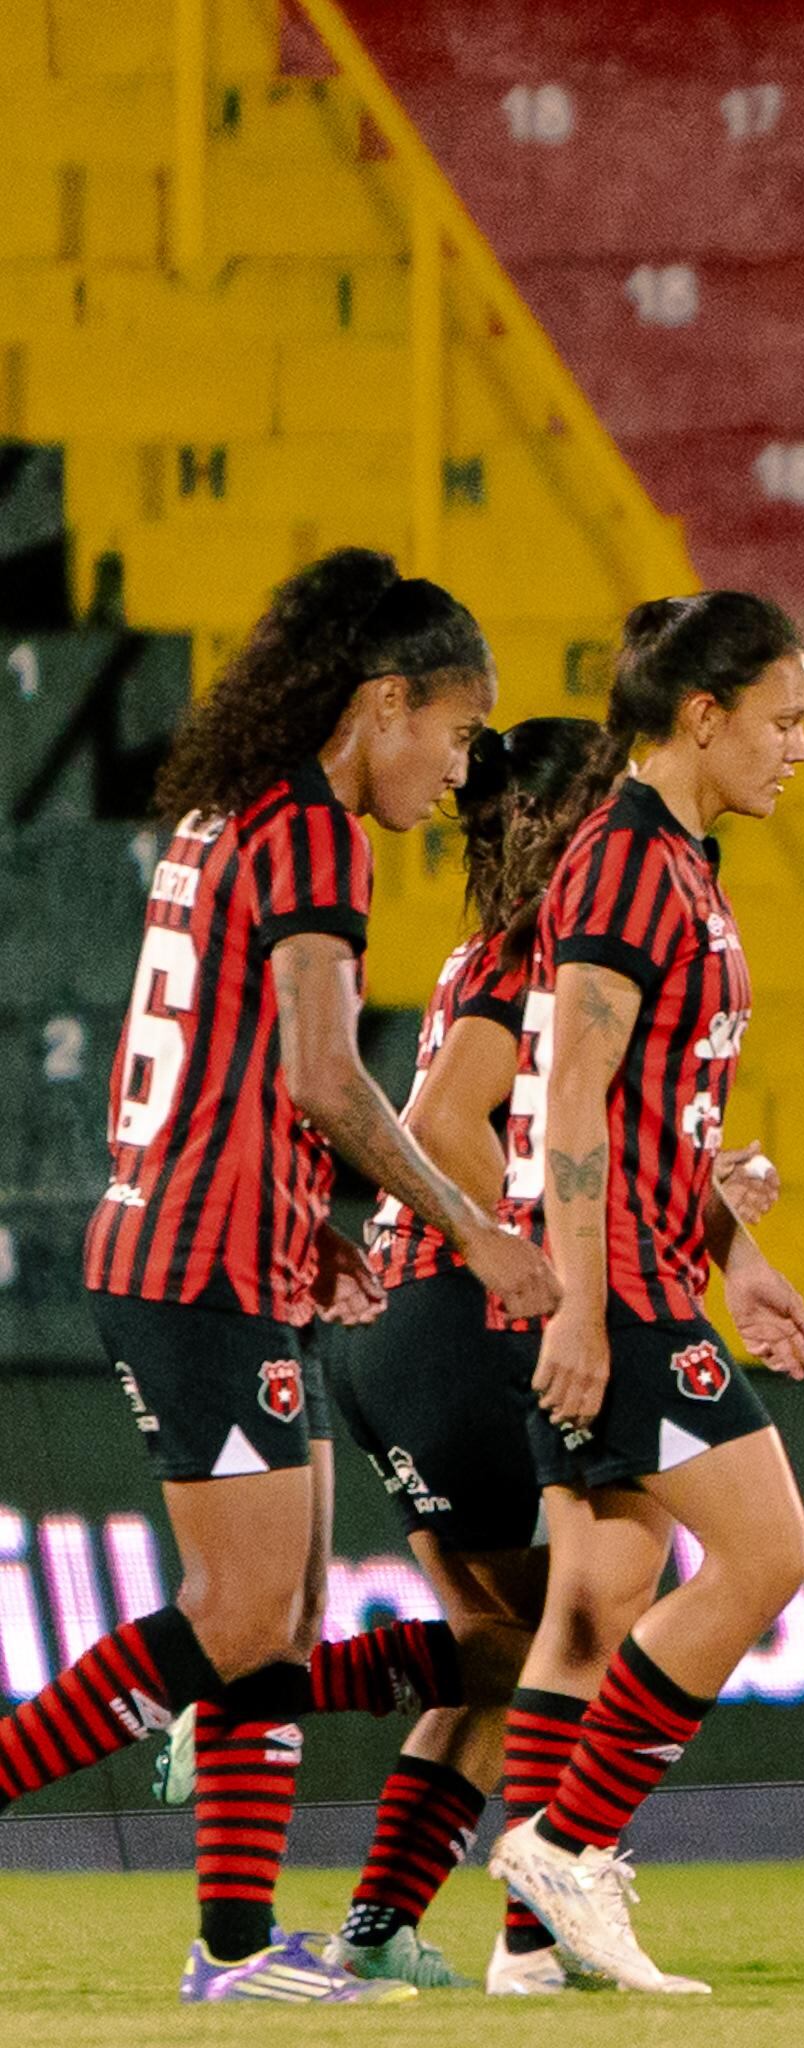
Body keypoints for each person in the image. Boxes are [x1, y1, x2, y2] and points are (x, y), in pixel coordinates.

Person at [0, 549, 562, 2003]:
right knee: (239, 1617)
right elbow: (322, 1072)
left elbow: (231, 1059)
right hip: (196, 1265)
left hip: (218, 1244)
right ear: (384, 704)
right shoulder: (316, 834)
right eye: (450, 729)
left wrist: (308, 1218)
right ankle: (218, 1938)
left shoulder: (222, 818)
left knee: (280, 1616)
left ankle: (236, 1953)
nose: (456, 768)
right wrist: (471, 1225)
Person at [483, 594, 804, 1994]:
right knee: (766, 1557)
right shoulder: (632, 865)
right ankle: (569, 1846)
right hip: (616, 1287)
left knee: (610, 1586)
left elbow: (663, 1109)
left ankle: (526, 1948)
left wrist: (738, 1261)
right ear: (705, 716)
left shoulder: (680, 859)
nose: (802, 748)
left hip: (645, 1265)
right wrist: (579, 1301)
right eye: (785, 718)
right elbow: (573, 1090)